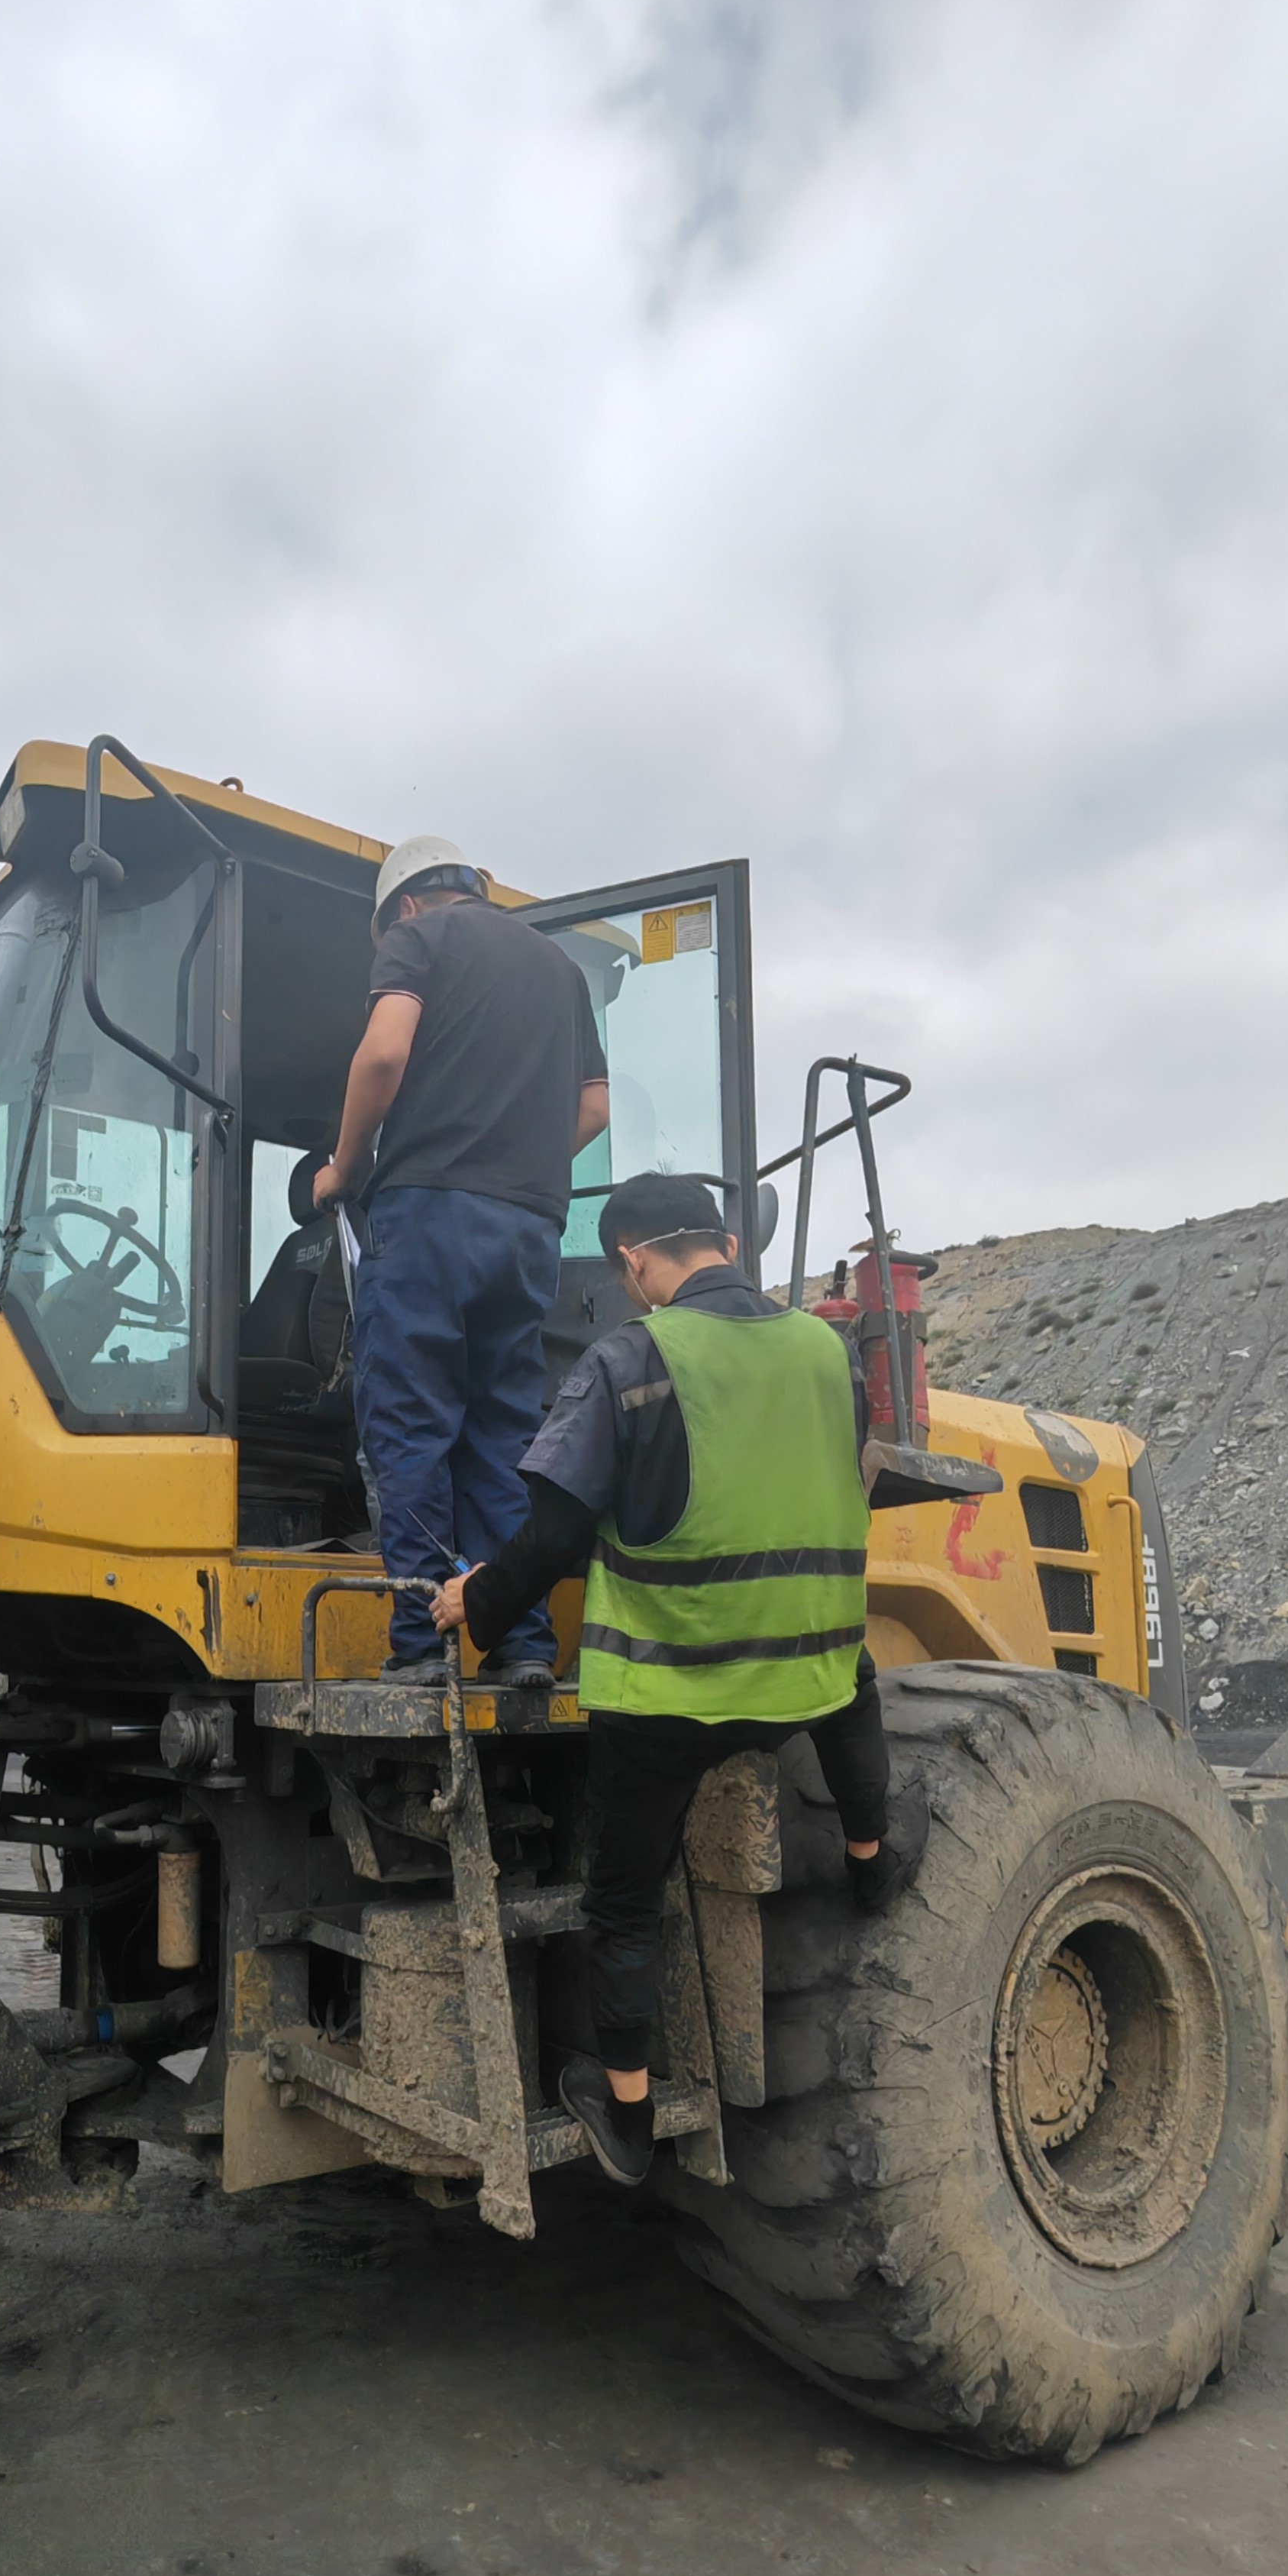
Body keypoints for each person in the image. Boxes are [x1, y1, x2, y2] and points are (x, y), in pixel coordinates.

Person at [431, 1172, 923, 2188]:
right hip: (808, 1666)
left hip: (671, 1694)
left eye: (630, 1273)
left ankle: (625, 2116)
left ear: (635, 1261)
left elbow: (555, 1535)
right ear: (730, 1246)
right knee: (855, 1687)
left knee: (622, 1901)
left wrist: (474, 1605)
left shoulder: (630, 1358)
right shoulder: (827, 1353)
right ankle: (873, 1857)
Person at [311, 835, 610, 1686]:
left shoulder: (420, 938)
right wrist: (519, 1166)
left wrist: (345, 1167)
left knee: (412, 1425)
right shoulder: (562, 970)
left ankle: (421, 1645)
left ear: (404, 905)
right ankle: (519, 1644)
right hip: (528, 1227)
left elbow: (383, 1054)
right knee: (503, 1433)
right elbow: (594, 1108)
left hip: (429, 1216)